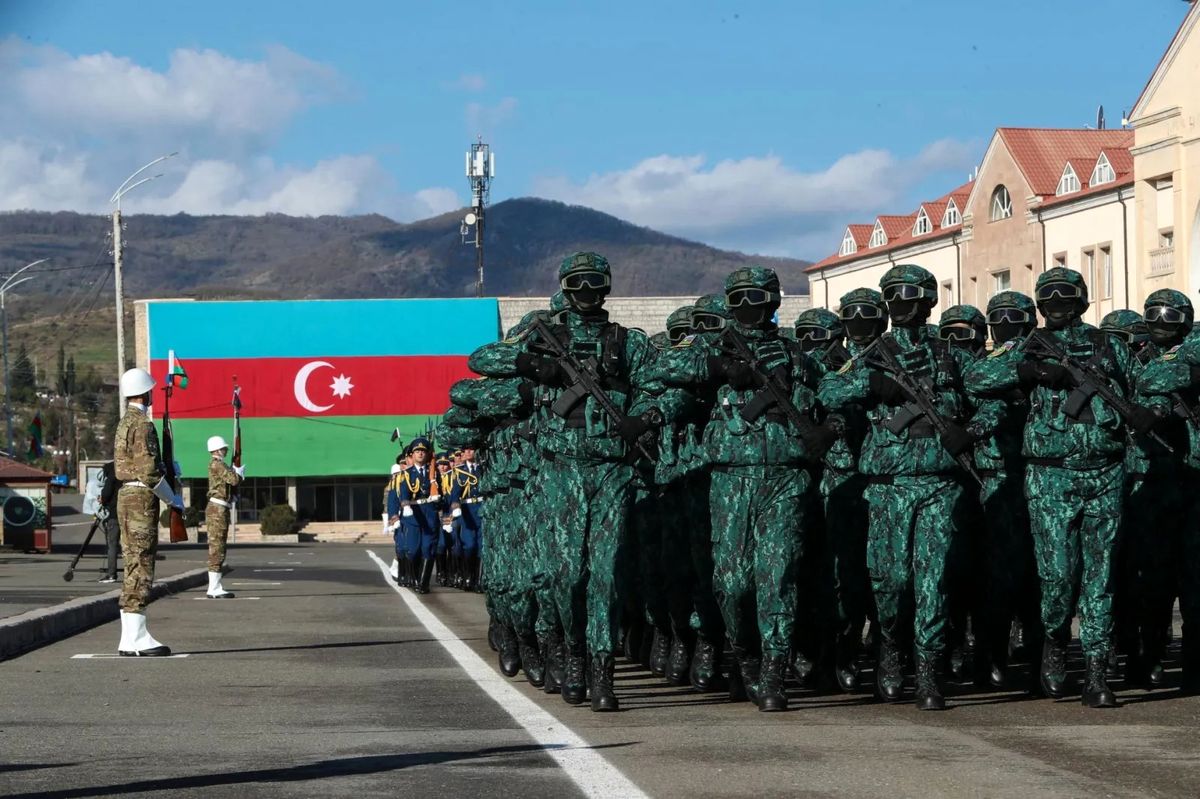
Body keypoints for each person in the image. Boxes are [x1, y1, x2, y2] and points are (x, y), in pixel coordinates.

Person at [965, 267, 1152, 708]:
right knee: (1058, 577)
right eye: (1048, 297)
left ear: (1082, 300)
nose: (1057, 304)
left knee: (1100, 578)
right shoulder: (1027, 345)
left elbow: (1144, 389)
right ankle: (1052, 642)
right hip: (1050, 476)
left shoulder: (1109, 347)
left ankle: (1096, 673)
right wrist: (1029, 370)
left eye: (1065, 296)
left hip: (1104, 472)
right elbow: (975, 379)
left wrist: (1150, 412)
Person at [653, 267, 834, 712]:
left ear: (773, 302)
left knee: (778, 577)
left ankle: (773, 670)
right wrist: (718, 367)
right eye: (742, 299)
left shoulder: (794, 355)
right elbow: (661, 366)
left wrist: (829, 429)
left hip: (787, 478)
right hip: (731, 477)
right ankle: (745, 655)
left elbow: (835, 393)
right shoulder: (712, 347)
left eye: (759, 298)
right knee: (733, 584)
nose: (751, 308)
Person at [819, 264, 985, 710]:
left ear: (929, 300)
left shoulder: (952, 355)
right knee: (891, 581)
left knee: (933, 580)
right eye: (892, 296)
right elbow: (828, 390)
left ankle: (928, 672)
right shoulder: (871, 354)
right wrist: (870, 382)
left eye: (909, 295)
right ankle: (890, 646)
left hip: (938, 483)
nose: (901, 304)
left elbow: (995, 398)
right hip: (887, 485)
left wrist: (970, 432)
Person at [114, 367, 180, 656]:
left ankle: (129, 637)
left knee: (132, 564)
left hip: (127, 495)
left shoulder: (123, 423)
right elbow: (149, 471)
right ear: (144, 392)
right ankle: (138, 637)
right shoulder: (143, 425)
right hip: (142, 496)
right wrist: (172, 498)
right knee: (142, 564)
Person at [397, 437, 441, 594]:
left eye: (423, 451)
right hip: (413, 514)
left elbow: (443, 493)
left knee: (427, 549)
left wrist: (438, 500)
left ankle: (423, 583)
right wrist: (405, 504)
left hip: (429, 514)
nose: (420, 453)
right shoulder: (407, 474)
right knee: (413, 550)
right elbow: (403, 492)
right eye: (417, 451)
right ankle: (414, 578)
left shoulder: (434, 474)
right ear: (412, 454)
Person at [204, 435, 243, 599]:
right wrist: (239, 473)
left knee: (219, 547)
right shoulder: (217, 464)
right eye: (224, 448)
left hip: (221, 506)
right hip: (217, 509)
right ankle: (214, 587)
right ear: (217, 449)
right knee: (217, 548)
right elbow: (233, 480)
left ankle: (215, 585)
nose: (226, 450)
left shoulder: (219, 465)